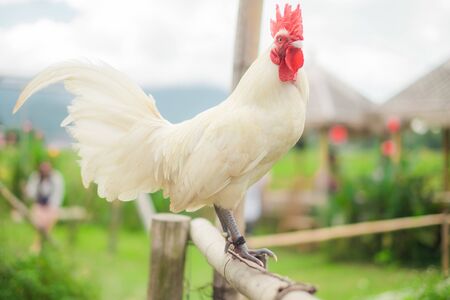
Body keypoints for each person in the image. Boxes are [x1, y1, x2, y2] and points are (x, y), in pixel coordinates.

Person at [26, 161, 64, 251]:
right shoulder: (35, 177)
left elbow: (58, 196)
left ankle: (38, 244)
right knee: (39, 218)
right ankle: (42, 243)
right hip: (39, 206)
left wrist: (50, 208)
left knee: (49, 218)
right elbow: (31, 193)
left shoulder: (56, 178)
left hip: (51, 207)